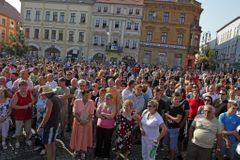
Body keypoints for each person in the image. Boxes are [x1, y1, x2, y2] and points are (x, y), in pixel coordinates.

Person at [70, 90, 95, 159]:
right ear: (82, 95)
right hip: (78, 122)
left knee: (85, 136)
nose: (87, 97)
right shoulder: (77, 101)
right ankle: (76, 150)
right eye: (86, 95)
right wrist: (80, 121)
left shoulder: (91, 102)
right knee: (77, 136)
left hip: (87, 122)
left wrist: (86, 121)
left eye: (89, 95)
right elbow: (74, 112)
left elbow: (91, 113)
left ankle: (83, 151)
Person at [37, 86, 61, 160]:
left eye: (43, 94)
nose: (42, 95)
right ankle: (52, 158)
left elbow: (47, 115)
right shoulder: (56, 98)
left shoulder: (50, 101)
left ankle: (50, 158)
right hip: (55, 123)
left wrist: (40, 127)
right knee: (52, 142)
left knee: (48, 144)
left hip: (50, 125)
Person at [11, 80, 35, 148]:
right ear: (19, 87)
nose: (23, 88)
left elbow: (34, 100)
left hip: (28, 115)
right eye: (22, 86)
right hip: (19, 115)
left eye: (25, 86)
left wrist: (31, 103)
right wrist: (23, 107)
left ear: (27, 86)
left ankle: (27, 139)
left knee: (28, 129)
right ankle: (17, 141)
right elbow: (13, 105)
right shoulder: (16, 94)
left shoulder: (29, 92)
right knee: (18, 131)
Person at [95, 93, 116, 159]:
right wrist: (103, 116)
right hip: (100, 126)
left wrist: (103, 114)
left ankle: (106, 155)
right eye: (106, 98)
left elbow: (112, 116)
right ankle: (98, 154)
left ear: (111, 99)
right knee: (99, 141)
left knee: (107, 141)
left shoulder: (113, 106)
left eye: (108, 99)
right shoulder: (101, 104)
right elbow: (97, 113)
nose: (106, 100)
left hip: (109, 127)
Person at [164, 92, 184, 160]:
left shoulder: (180, 109)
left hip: (174, 129)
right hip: (168, 127)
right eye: (175, 99)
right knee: (168, 144)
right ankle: (171, 156)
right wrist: (168, 119)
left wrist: (168, 116)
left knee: (173, 146)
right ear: (172, 99)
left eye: (178, 99)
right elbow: (166, 114)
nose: (177, 101)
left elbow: (177, 120)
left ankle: (172, 157)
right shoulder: (171, 106)